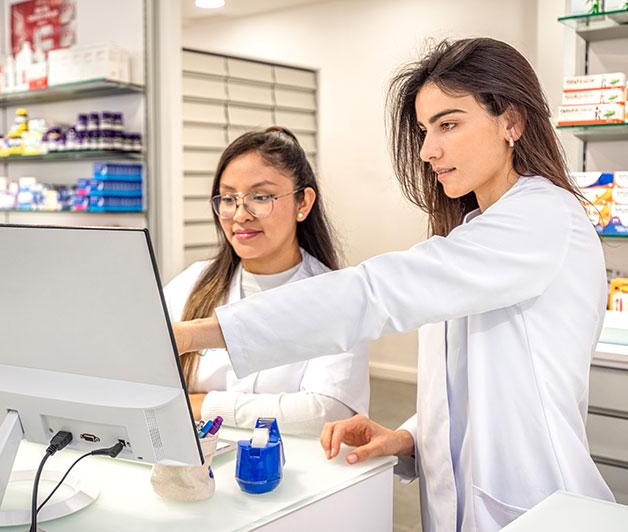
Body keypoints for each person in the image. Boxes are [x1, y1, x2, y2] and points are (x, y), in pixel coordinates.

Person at [171, 38, 615, 531]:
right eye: (425, 130)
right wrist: (407, 437)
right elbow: (475, 388)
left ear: (511, 121)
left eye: (449, 124)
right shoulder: (477, 232)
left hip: (536, 503)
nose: (428, 150)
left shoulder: (543, 218)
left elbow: (375, 292)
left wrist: (196, 334)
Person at [165, 126, 369, 436]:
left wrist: (203, 405)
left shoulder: (335, 297)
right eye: (229, 198)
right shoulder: (193, 283)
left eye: (260, 197)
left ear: (303, 203)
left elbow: (326, 411)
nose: (240, 214)